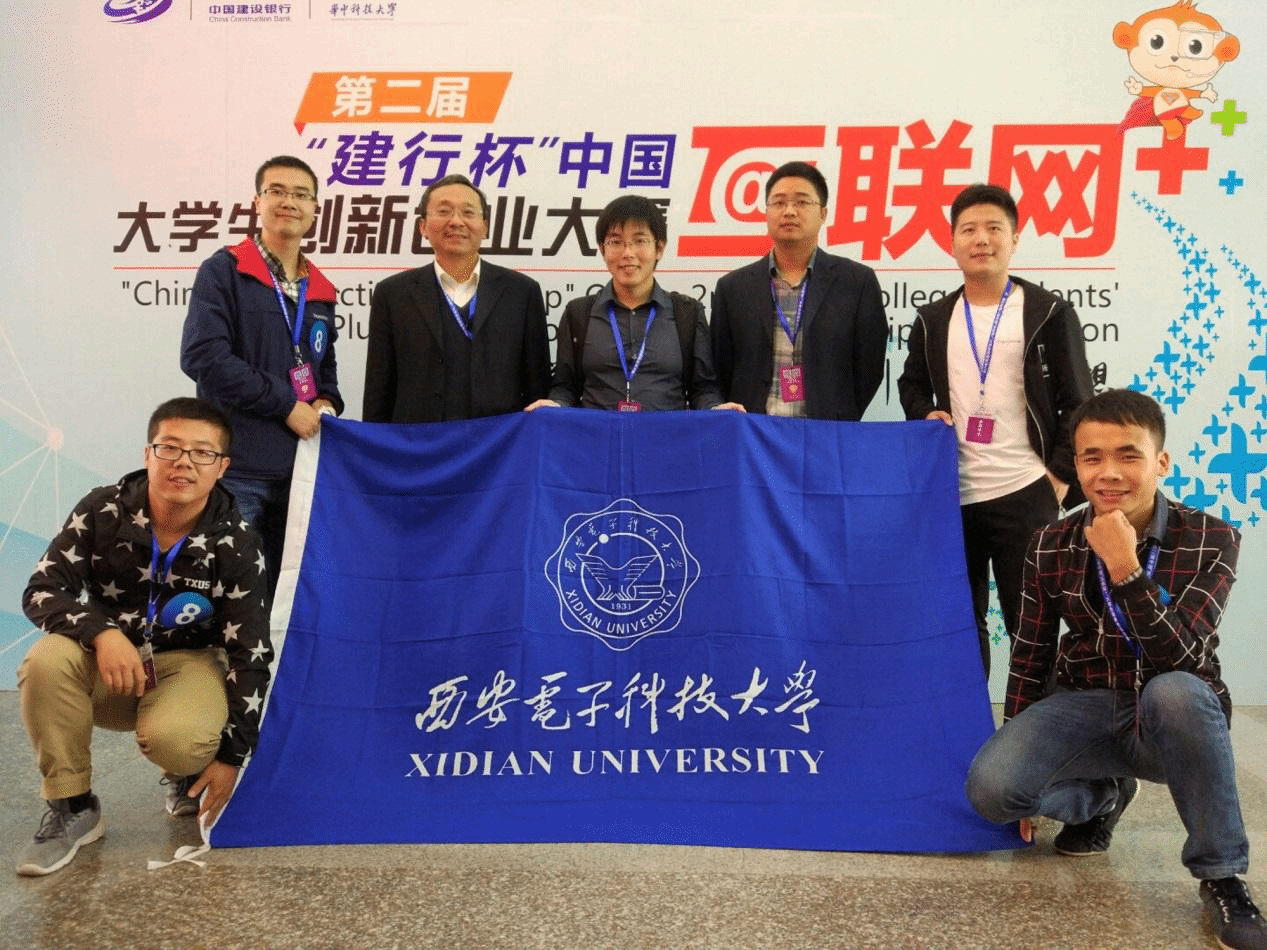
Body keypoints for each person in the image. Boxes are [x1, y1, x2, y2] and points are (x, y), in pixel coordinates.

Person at [965, 389, 1265, 950]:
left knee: (1176, 691)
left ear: (1161, 462)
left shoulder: (1211, 538)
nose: (1108, 473)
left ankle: (1223, 877)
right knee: (992, 791)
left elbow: (1181, 658)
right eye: (1092, 457)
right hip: (1086, 703)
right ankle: (1102, 798)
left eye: (1128, 456)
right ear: (1076, 465)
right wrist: (1019, 749)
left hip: (1170, 717)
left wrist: (1126, 568)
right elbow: (1031, 654)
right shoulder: (1050, 542)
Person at [15, 398, 273, 876]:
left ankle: (186, 772)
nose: (183, 463)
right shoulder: (102, 509)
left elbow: (250, 653)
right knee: (46, 661)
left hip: (186, 664)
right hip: (108, 665)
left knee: (181, 739)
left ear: (222, 467)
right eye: (169, 447)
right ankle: (73, 807)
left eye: (202, 453)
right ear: (148, 453)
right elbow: (42, 590)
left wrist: (231, 757)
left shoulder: (236, 541)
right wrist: (101, 632)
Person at [898, 182, 1093, 675]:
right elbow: (911, 383)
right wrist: (924, 413)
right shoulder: (934, 318)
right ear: (952, 242)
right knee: (960, 623)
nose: (980, 239)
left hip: (1025, 489)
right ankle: (970, 719)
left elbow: (1078, 401)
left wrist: (1058, 477)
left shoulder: (1048, 312)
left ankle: (1033, 720)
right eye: (968, 229)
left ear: (1015, 238)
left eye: (993, 228)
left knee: (1032, 622)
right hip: (953, 492)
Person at [180, 155, 342, 595]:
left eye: (301, 194)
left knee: (290, 597)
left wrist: (326, 401)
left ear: (315, 209)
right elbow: (204, 357)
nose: (289, 202)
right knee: (228, 594)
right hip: (237, 469)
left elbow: (323, 368)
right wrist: (286, 405)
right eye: (277, 191)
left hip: (301, 472)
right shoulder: (225, 270)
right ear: (257, 202)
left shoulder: (320, 289)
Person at [362, 173, 551, 422]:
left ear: (485, 227)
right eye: (444, 211)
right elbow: (379, 388)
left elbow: (538, 387)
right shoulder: (392, 294)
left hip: (499, 440)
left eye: (468, 212)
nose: (456, 221)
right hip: (419, 440)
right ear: (423, 226)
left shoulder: (522, 292)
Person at [526, 194, 741, 412]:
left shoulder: (687, 313)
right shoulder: (578, 313)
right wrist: (556, 404)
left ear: (659, 248)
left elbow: (703, 389)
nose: (627, 253)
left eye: (639, 241)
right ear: (602, 250)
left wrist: (715, 408)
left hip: (666, 433)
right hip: (597, 433)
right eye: (616, 242)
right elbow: (565, 388)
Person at [710, 161, 887, 420]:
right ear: (766, 212)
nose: (789, 211)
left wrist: (840, 415)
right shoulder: (733, 288)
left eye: (802, 202)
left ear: (823, 214)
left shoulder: (857, 282)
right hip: (754, 431)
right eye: (779, 202)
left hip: (827, 430)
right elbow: (720, 367)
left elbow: (869, 367)